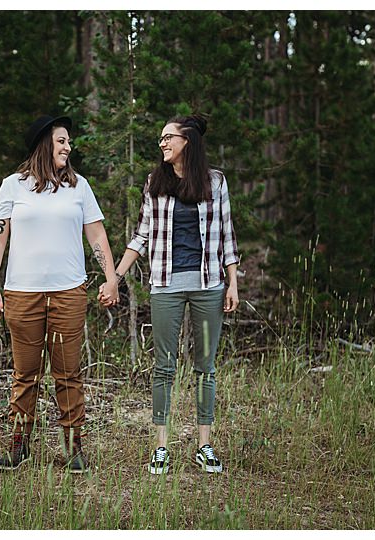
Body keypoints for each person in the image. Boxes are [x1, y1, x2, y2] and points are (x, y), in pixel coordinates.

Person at [100, 114, 239, 475]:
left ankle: (204, 445)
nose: (162, 143)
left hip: (209, 286)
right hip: (165, 286)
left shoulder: (215, 182)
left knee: (205, 368)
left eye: (168, 138)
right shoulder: (155, 182)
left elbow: (226, 235)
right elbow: (142, 236)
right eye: (160, 139)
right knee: (164, 367)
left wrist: (233, 283)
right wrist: (115, 277)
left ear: (187, 142)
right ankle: (161, 446)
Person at [0, 115, 119, 473]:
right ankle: (19, 443)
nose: (68, 147)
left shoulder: (79, 187)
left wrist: (110, 277)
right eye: (62, 141)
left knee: (68, 374)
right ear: (45, 143)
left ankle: (72, 448)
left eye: (69, 142)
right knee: (25, 374)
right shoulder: (13, 186)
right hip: (22, 294)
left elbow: (97, 236)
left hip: (68, 294)